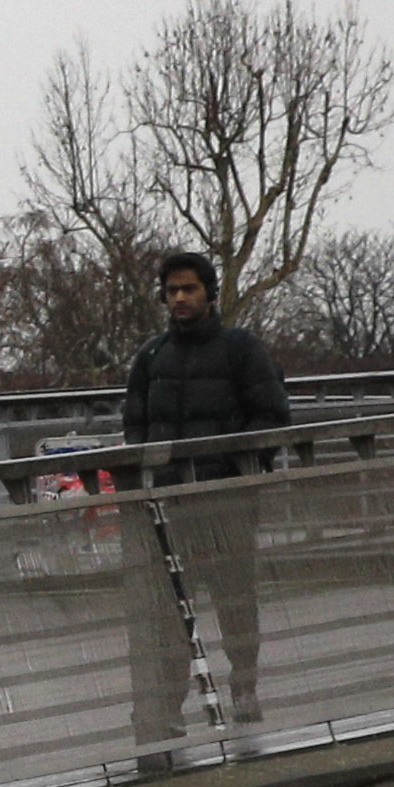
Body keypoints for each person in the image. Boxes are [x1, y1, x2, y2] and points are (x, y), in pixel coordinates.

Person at [114, 247, 292, 743]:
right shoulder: (151, 358)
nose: (180, 298)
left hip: (227, 498)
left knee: (236, 599)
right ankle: (168, 703)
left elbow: (272, 415)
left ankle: (244, 689)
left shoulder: (241, 349)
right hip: (170, 505)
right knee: (169, 609)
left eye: (189, 288)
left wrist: (238, 467)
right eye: (172, 290)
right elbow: (135, 427)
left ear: (208, 294)